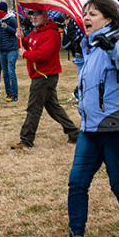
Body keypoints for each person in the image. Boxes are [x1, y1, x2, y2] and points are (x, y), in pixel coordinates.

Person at [46, 0, 119, 237]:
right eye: (85, 13)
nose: (86, 17)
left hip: (117, 126)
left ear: (109, 19)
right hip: (90, 129)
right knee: (77, 183)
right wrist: (81, 56)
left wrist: (114, 45)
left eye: (93, 13)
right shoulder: (89, 46)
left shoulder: (118, 42)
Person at [11, 8, 79, 149]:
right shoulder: (35, 32)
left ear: (46, 16)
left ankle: (26, 140)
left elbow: (43, 55)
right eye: (33, 15)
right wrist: (20, 38)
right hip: (41, 75)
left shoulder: (51, 34)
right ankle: (74, 133)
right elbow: (26, 45)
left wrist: (25, 54)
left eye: (37, 14)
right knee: (54, 108)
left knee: (34, 108)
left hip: (45, 76)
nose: (34, 17)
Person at [0, 2, 20, 102]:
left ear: (3, 10)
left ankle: (14, 94)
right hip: (2, 49)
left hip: (11, 49)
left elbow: (17, 32)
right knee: (5, 74)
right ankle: (8, 93)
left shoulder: (12, 19)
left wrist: (7, 27)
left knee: (11, 71)